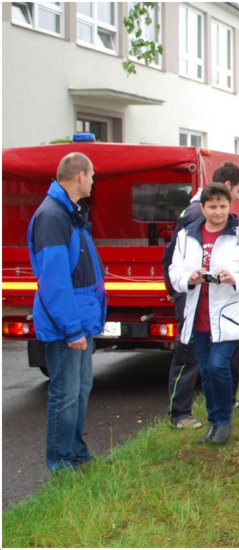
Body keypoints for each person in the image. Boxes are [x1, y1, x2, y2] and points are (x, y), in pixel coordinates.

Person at [169, 183, 239, 444]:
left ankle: (223, 421)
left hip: (229, 314)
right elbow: (174, 269)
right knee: (207, 371)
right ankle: (214, 421)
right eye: (212, 207)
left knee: (218, 365)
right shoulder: (187, 235)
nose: (218, 212)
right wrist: (189, 278)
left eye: (223, 206)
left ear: (229, 206)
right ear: (202, 207)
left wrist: (235, 278)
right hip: (199, 314)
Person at [27, 152, 106, 471]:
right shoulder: (53, 217)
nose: (93, 180)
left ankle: (76, 452)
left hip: (79, 319)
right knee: (66, 393)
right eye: (92, 175)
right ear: (79, 176)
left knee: (80, 389)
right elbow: (55, 280)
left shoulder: (69, 212)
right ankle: (60, 460)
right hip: (67, 326)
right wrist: (72, 328)